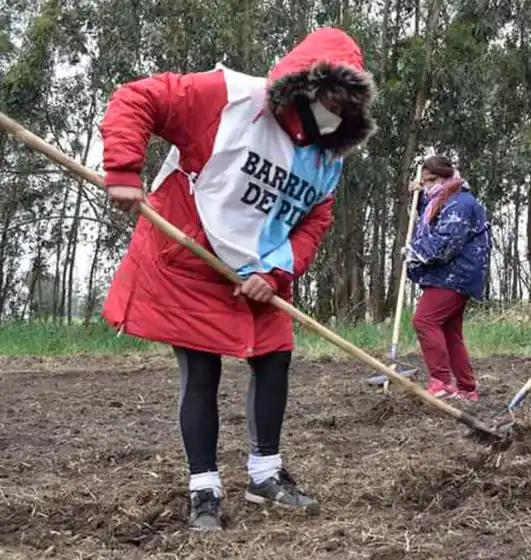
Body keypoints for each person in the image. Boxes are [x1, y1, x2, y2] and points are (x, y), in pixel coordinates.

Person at [98, 27, 376, 530]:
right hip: (192, 256)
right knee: (201, 371)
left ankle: (265, 476)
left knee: (275, 358)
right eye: (329, 97)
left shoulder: (327, 157)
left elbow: (315, 220)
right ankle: (203, 488)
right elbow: (137, 98)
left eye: (345, 105)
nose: (334, 112)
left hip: (260, 271)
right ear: (303, 84)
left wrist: (274, 272)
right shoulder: (227, 99)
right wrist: (123, 169)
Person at [405, 155, 492, 402]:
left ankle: (441, 382)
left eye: (431, 180)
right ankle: (466, 388)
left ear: (446, 177)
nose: (427, 185)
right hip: (449, 274)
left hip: (456, 275)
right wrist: (420, 197)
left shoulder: (461, 204)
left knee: (424, 319)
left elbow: (446, 242)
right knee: (450, 331)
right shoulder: (442, 200)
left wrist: (413, 253)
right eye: (424, 181)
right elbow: (432, 220)